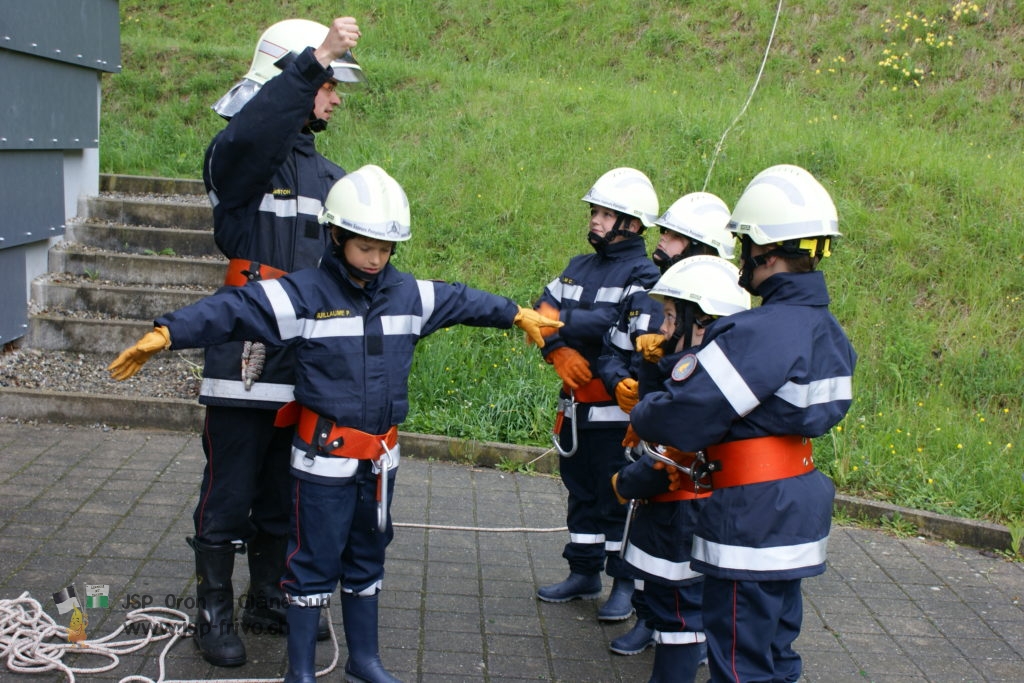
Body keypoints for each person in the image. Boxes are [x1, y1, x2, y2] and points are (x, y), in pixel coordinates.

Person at [108, 165, 562, 683]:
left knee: (370, 557)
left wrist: (513, 312)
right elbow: (235, 308)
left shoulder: (409, 296)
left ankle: (364, 661)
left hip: (380, 464)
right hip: (323, 459)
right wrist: (168, 332)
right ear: (338, 235)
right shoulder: (303, 296)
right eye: (365, 246)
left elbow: (462, 299)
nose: (375, 259)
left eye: (386, 250)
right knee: (312, 562)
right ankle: (299, 672)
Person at [630, 164, 857, 682]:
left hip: (750, 517)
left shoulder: (760, 331)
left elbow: (684, 419)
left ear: (763, 251)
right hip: (794, 509)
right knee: (776, 656)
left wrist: (645, 408)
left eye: (744, 244)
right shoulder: (830, 332)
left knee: (739, 663)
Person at [190, 16, 365, 666]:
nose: (335, 96)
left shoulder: (330, 178)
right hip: (244, 357)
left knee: (281, 489)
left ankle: (266, 595)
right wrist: (314, 58)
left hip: (306, 361)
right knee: (229, 488)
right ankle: (210, 606)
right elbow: (253, 134)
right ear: (291, 75)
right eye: (328, 83)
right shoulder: (236, 163)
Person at [596, 192, 736, 655]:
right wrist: (624, 383)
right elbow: (612, 350)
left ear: (705, 250)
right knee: (644, 530)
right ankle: (646, 613)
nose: (663, 241)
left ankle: (678, 631)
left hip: (682, 453)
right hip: (644, 429)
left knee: (681, 550)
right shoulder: (646, 294)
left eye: (677, 237)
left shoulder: (721, 307)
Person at [610, 255, 750, 682]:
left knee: (679, 621)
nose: (663, 328)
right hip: (677, 519)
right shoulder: (701, 372)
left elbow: (663, 445)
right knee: (679, 614)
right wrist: (653, 364)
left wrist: (625, 482)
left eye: (671, 318)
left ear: (703, 324)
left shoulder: (701, 389)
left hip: (680, 521)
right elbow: (655, 411)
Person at [532, 167, 661, 622]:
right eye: (595, 211)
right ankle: (584, 572)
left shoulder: (645, 275)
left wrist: (565, 319)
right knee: (581, 491)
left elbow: (620, 331)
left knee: (619, 499)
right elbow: (538, 312)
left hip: (616, 410)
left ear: (634, 224)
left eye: (607, 214)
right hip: (575, 408)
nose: (596, 220)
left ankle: (623, 584)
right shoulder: (576, 267)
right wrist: (559, 350)